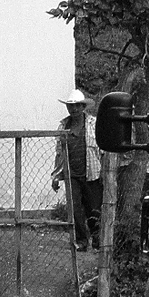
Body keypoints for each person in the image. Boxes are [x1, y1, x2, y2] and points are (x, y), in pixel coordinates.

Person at [51, 89, 103, 251]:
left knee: (93, 208)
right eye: (70, 106)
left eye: (76, 106)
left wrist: (105, 174)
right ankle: (81, 241)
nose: (73, 109)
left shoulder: (93, 124)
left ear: (82, 107)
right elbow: (59, 153)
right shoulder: (63, 126)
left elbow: (102, 150)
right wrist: (55, 176)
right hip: (71, 173)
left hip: (92, 172)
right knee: (75, 209)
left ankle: (97, 239)